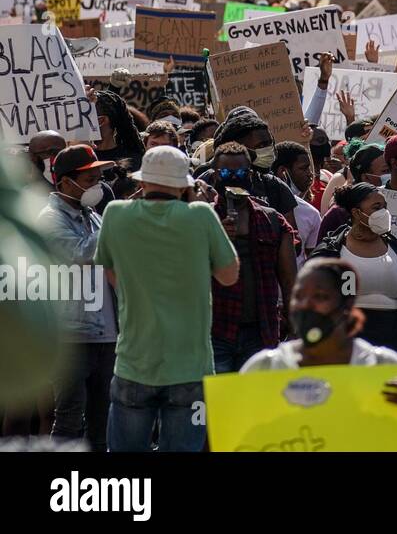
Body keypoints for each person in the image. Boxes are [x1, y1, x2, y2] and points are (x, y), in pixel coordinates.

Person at [93, 146, 239, 452]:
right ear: (184, 184)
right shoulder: (200, 215)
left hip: (134, 363)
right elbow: (229, 275)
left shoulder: (115, 214)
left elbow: (110, 272)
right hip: (190, 368)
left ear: (142, 182)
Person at [240, 258, 397, 451]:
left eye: (320, 297)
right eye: (298, 296)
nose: (306, 305)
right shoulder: (264, 368)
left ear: (345, 307)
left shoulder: (383, 367)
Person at [38, 145, 118, 451]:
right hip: (71, 335)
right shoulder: (49, 219)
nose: (97, 185)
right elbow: (81, 253)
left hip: (104, 332)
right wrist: (116, 219)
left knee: (101, 416)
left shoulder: (93, 215)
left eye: (98, 177)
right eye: (89, 179)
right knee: (70, 416)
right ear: (65, 182)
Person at [309, 183, 397, 378]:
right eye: (376, 208)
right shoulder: (332, 252)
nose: (384, 213)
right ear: (357, 213)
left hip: (395, 343)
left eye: (385, 207)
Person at [206, 143, 299, 373]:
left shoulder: (273, 221)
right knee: (219, 405)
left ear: (250, 174)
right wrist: (214, 239)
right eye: (227, 173)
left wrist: (295, 325)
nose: (234, 178)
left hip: (260, 332)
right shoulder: (202, 218)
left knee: (255, 404)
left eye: (241, 173)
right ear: (217, 175)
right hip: (214, 331)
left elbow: (289, 281)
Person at [273, 141, 323, 258]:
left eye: (309, 168)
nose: (310, 174)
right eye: (303, 169)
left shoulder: (311, 214)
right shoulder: (258, 207)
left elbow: (314, 259)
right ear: (283, 172)